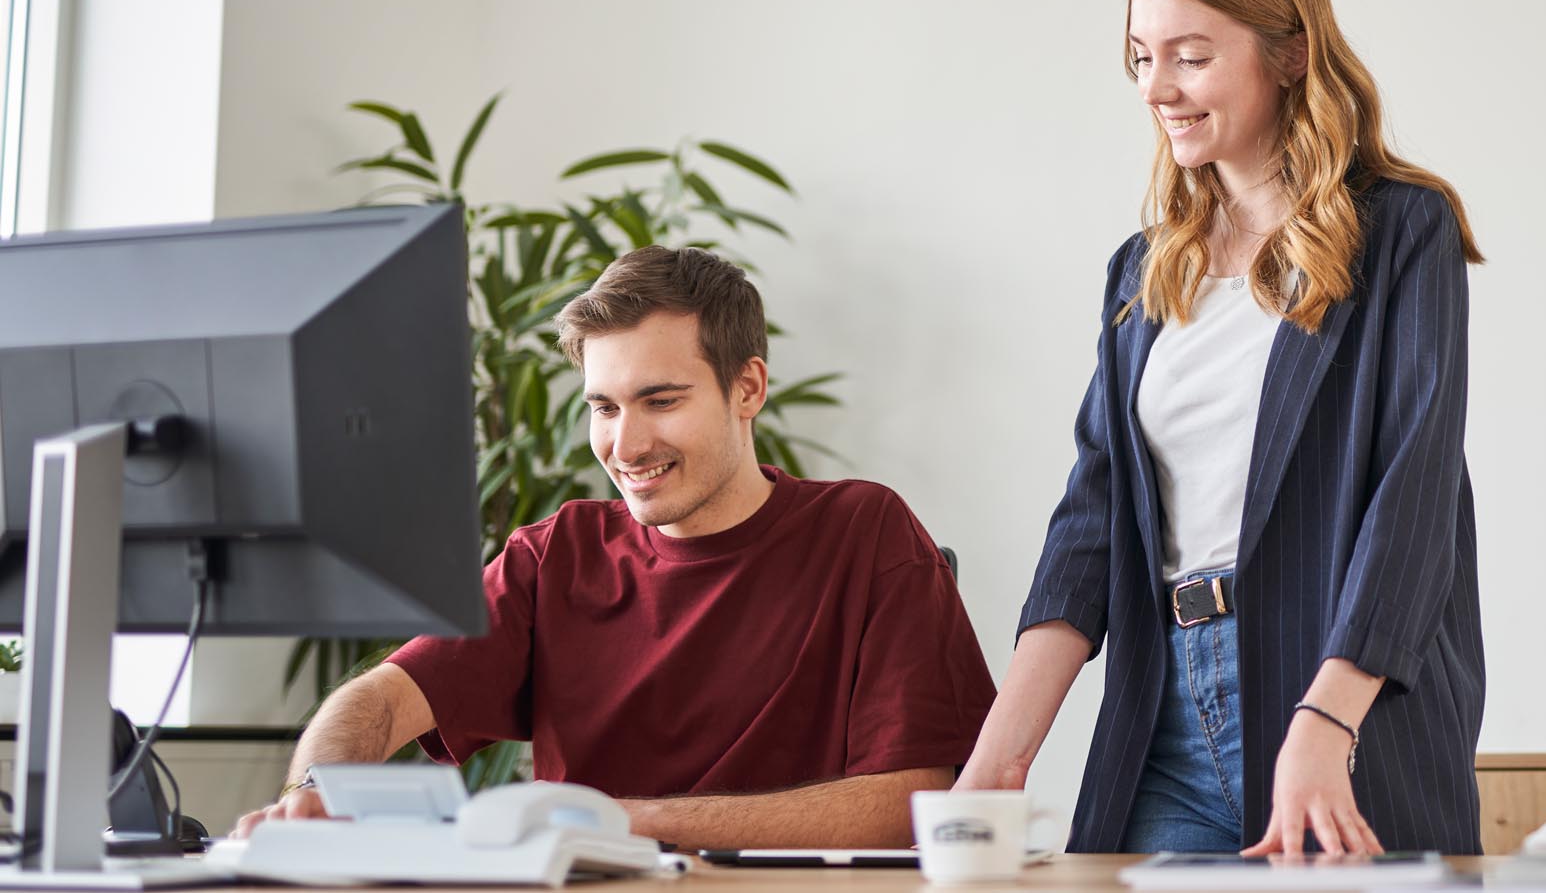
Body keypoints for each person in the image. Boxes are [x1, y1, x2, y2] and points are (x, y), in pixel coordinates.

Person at [957, 0, 1485, 856]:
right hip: (1162, 705)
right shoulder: (1145, 268)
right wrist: (999, 760)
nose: (1158, 86)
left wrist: (1327, 725)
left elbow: (1415, 495)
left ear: (1288, 52)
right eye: (1140, 57)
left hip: (1334, 704)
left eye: (1190, 55)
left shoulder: (1404, 233)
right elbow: (1095, 512)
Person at [234, 245, 995, 847]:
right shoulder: (556, 554)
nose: (625, 443)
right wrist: (309, 798)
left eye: (661, 400)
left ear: (748, 388)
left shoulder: (866, 534)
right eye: (604, 406)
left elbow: (912, 802)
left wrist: (616, 820)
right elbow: (381, 698)